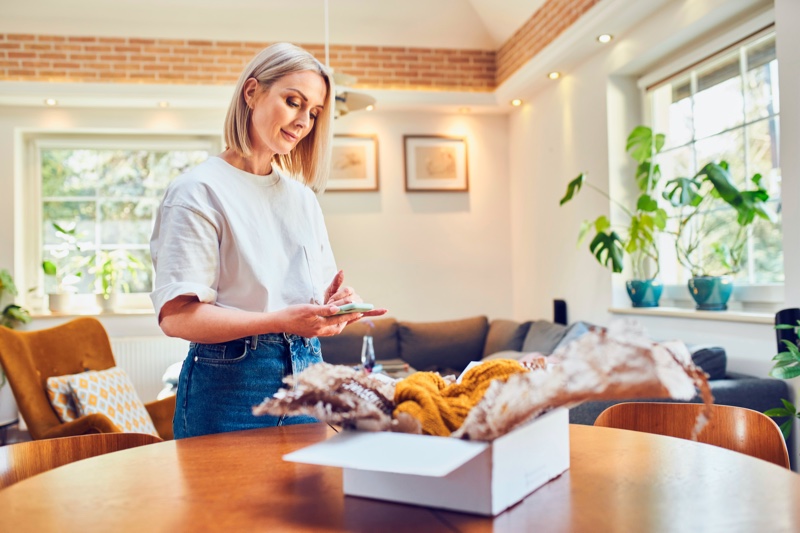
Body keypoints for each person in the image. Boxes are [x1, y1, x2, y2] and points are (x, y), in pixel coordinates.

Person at [150, 42, 386, 439]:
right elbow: (177, 317)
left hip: (310, 374)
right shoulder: (197, 190)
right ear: (252, 92)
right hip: (231, 386)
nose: (304, 121)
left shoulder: (302, 198)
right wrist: (280, 320)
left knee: (308, 503)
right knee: (224, 503)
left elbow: (310, 299)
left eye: (313, 112)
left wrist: (335, 307)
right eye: (294, 102)